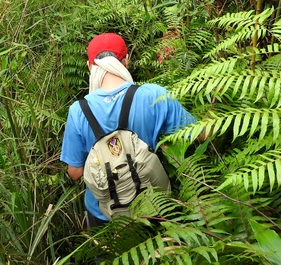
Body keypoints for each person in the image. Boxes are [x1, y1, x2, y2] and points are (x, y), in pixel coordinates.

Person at [60, 33, 201, 228]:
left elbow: (75, 173)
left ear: (90, 67)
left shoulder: (78, 111)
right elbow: (198, 134)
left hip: (104, 215)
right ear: (126, 61)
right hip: (154, 208)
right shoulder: (154, 95)